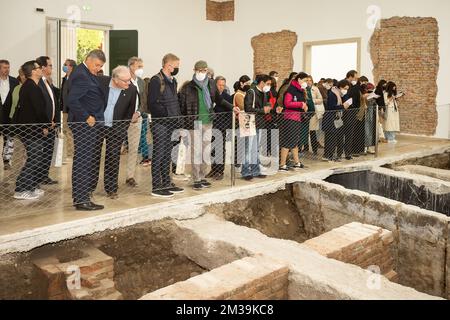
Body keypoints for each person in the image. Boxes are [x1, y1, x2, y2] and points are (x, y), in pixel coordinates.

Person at [67, 49, 107, 211]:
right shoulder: (81, 74)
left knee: (86, 161)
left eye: (100, 66)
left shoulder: (87, 73)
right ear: (88, 59)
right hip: (84, 125)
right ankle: (81, 200)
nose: (98, 68)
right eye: (97, 65)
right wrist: (86, 116)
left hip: (89, 124)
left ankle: (82, 197)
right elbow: (72, 100)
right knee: (83, 162)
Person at [179, 60, 227, 190]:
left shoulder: (211, 84)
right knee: (196, 151)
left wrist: (232, 107)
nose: (202, 73)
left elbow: (219, 99)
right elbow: (182, 107)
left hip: (208, 122)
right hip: (194, 123)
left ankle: (203, 176)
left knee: (206, 151)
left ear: (207, 71)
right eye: (199, 70)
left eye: (204, 70)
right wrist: (182, 124)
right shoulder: (187, 87)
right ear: (194, 71)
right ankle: (196, 178)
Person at [96, 66, 138, 199]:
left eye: (129, 80)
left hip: (116, 128)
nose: (128, 83)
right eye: (125, 81)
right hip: (98, 126)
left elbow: (129, 112)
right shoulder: (100, 82)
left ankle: (111, 188)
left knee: (113, 157)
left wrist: (122, 129)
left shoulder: (131, 89)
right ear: (115, 79)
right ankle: (89, 187)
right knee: (93, 156)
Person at [148, 53, 184, 198]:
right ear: (168, 65)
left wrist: (178, 121)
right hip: (160, 124)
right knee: (159, 154)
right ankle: (157, 186)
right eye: (176, 66)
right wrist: (167, 115)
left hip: (172, 123)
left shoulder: (173, 81)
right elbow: (152, 103)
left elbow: (174, 102)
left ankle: (167, 183)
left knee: (168, 154)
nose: (177, 69)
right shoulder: (156, 80)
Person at [13, 61, 50, 200]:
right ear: (33, 71)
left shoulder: (31, 86)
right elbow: (38, 110)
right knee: (34, 160)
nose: (41, 69)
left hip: (32, 129)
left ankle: (31, 186)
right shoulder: (31, 87)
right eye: (38, 68)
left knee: (36, 159)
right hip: (31, 130)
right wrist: (45, 125)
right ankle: (20, 189)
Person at [241, 74, 272, 180]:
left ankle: (255, 170)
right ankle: (245, 171)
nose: (269, 86)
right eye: (268, 84)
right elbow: (248, 109)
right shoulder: (251, 92)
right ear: (262, 83)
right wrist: (263, 110)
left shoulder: (265, 92)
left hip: (260, 123)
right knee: (248, 148)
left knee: (256, 148)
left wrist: (269, 107)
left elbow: (266, 104)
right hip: (250, 123)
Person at [36, 56, 60, 186]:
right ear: (43, 67)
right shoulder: (38, 83)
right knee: (41, 152)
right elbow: (40, 105)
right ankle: (38, 177)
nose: (51, 67)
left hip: (51, 124)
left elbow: (53, 101)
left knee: (48, 151)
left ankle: (44, 175)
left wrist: (55, 121)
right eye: (50, 65)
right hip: (44, 125)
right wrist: (45, 123)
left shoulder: (47, 82)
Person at [207, 76, 236, 180]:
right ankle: (213, 169)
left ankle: (220, 171)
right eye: (219, 85)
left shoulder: (227, 97)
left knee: (220, 149)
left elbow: (230, 114)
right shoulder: (210, 96)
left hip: (221, 126)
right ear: (215, 85)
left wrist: (227, 127)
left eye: (223, 85)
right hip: (210, 125)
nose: (221, 87)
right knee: (212, 149)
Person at [279, 73, 308, 172]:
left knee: (295, 141)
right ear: (299, 79)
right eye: (305, 80)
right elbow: (287, 103)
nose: (306, 83)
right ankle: (282, 164)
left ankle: (297, 162)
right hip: (290, 118)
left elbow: (303, 103)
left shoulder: (301, 90)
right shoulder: (291, 89)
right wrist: (300, 104)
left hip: (297, 118)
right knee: (287, 141)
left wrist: (305, 106)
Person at [126, 57, 146, 187]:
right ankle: (111, 178)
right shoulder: (123, 79)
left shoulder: (141, 82)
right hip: (122, 119)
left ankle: (130, 176)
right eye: (139, 66)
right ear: (131, 66)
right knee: (114, 149)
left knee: (133, 149)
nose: (141, 69)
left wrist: (138, 113)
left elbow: (143, 101)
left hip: (137, 119)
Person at [323, 80, 351, 162]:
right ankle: (329, 156)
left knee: (333, 137)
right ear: (340, 87)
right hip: (330, 118)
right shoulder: (333, 94)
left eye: (347, 89)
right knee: (330, 138)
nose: (345, 90)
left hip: (336, 118)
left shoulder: (339, 94)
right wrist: (343, 106)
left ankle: (330, 155)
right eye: (345, 88)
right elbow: (331, 107)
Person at [0, 59, 20, 170]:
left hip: (9, 116)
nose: (7, 70)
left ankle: (7, 160)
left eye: (8, 67)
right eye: (4, 67)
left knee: (9, 138)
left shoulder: (14, 81)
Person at [61, 59, 77, 162]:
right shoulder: (65, 79)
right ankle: (69, 153)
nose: (64, 66)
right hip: (65, 110)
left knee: (71, 131)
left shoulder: (75, 79)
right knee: (66, 131)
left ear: (71, 67)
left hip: (73, 110)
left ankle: (71, 153)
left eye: (65, 65)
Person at [343, 70, 361, 160]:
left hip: (353, 111)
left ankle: (348, 152)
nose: (356, 79)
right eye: (355, 77)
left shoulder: (355, 85)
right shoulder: (343, 84)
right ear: (350, 76)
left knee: (350, 132)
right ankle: (339, 152)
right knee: (342, 133)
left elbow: (357, 96)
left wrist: (355, 85)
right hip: (345, 111)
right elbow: (346, 96)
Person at [306, 75, 323, 157]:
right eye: (307, 80)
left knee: (312, 131)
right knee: (304, 131)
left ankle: (314, 149)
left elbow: (320, 99)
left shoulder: (315, 89)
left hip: (313, 112)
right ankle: (304, 148)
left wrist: (313, 101)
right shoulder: (302, 89)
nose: (308, 82)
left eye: (310, 80)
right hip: (304, 113)